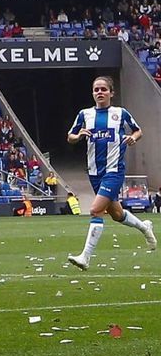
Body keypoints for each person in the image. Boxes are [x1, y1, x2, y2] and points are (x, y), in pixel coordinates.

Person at [66, 76, 156, 270]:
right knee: (116, 214)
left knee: (95, 210)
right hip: (94, 172)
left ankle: (85, 257)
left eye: (103, 89)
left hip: (114, 170)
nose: (99, 92)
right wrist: (79, 135)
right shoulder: (84, 114)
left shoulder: (120, 113)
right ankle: (144, 227)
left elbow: (138, 131)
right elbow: (70, 137)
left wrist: (133, 138)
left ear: (111, 93)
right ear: (92, 93)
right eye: (96, 89)